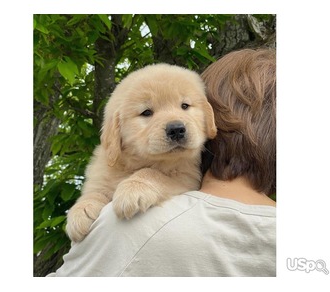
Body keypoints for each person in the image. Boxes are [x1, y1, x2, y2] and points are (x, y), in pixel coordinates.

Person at [47, 48, 276, 277]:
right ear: (114, 133)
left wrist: (148, 179)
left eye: (185, 106)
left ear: (212, 117)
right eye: (146, 112)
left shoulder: (135, 228)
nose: (176, 124)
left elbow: (185, 180)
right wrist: (93, 198)